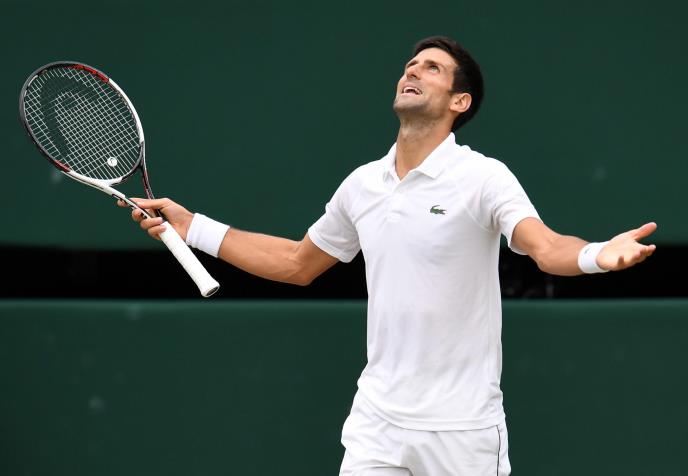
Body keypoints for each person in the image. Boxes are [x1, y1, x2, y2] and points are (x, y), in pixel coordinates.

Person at [120, 36, 657, 476]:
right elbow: (297, 263)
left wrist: (596, 254)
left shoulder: (483, 177)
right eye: (410, 66)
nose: (413, 71)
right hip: (377, 424)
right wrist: (193, 227)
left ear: (460, 102)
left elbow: (546, 247)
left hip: (462, 431)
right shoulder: (362, 186)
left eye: (432, 68)